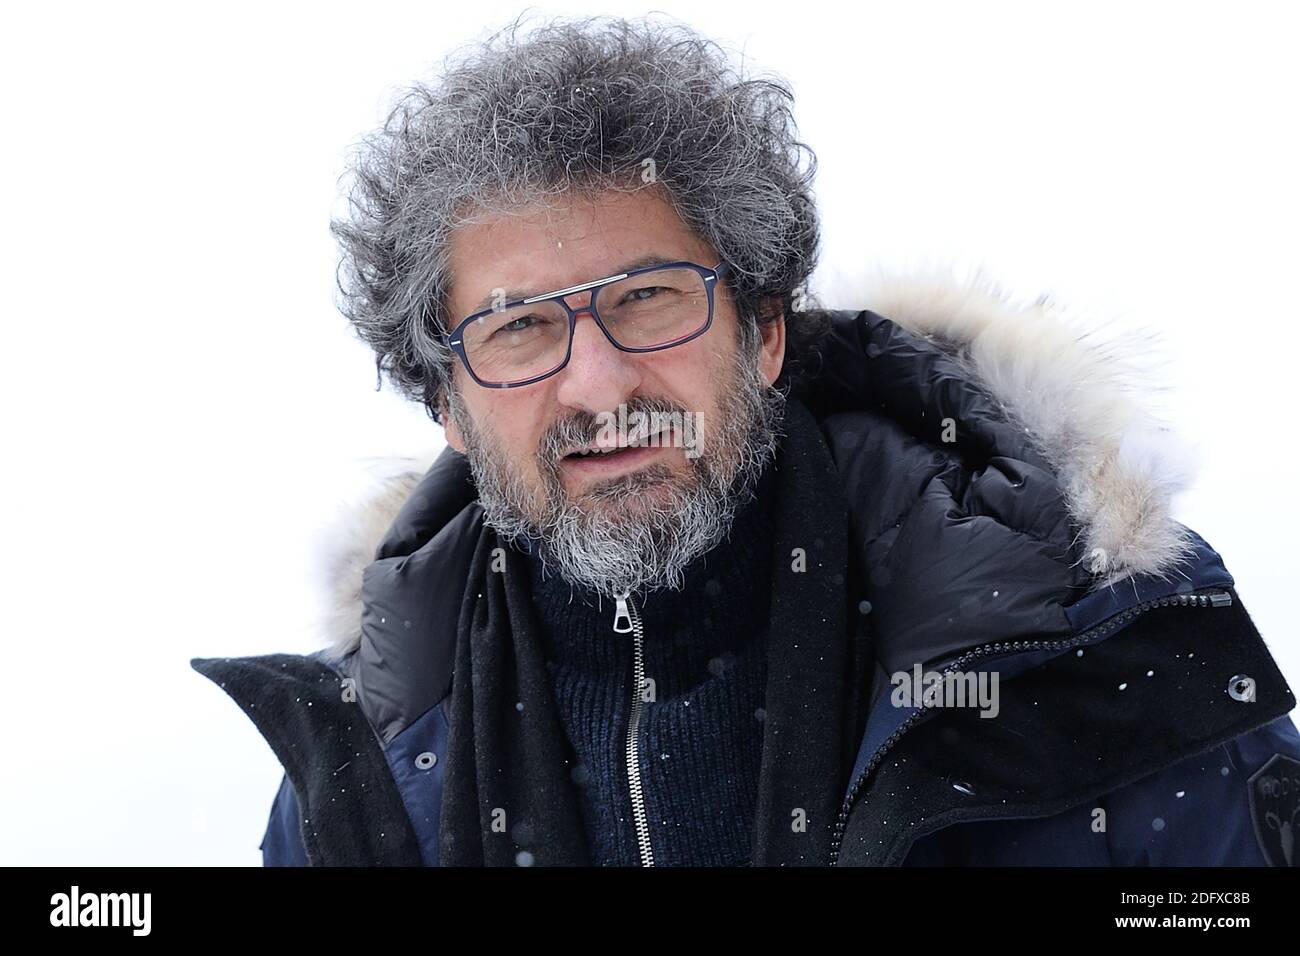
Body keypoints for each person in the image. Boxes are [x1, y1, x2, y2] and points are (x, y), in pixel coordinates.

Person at [192, 13, 1300, 867]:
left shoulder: (1091, 653)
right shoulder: (363, 772)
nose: (598, 382)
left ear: (764, 331)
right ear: (449, 408)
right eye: (519, 326)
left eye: (649, 300)